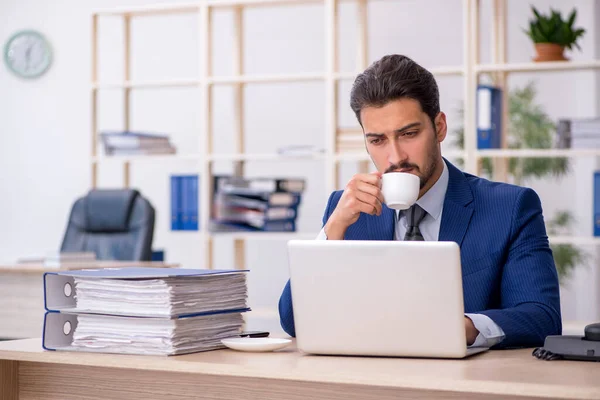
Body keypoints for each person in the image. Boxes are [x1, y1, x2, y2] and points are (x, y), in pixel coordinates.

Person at [278, 54, 561, 349]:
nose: (395, 156)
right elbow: (292, 321)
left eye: (409, 134)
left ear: (439, 127)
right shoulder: (348, 211)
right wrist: (333, 229)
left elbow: (542, 318)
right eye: (377, 140)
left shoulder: (511, 207)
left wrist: (460, 327)